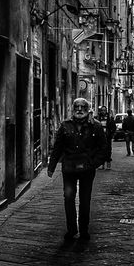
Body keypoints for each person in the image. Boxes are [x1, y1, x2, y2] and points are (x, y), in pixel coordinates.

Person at [47, 98, 108, 241]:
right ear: (73, 109)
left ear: (88, 109)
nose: (79, 110)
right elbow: (57, 148)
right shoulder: (65, 126)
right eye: (77, 107)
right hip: (69, 169)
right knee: (68, 198)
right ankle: (71, 229)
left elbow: (104, 149)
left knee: (85, 200)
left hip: (87, 170)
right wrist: (51, 167)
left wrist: (93, 164)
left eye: (83, 107)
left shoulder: (96, 126)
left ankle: (84, 230)